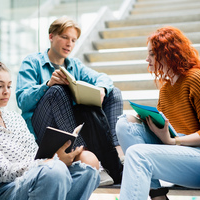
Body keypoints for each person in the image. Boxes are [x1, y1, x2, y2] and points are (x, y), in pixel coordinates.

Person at [0, 54, 100, 200]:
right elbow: (2, 172)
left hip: (34, 175)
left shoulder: (13, 117)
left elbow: (34, 153)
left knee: (88, 169)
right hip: (7, 189)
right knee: (55, 170)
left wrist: (54, 158)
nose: (6, 91)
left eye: (9, 86)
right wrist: (52, 162)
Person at [15, 16, 124, 183]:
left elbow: (104, 78)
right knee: (57, 90)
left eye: (73, 40)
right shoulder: (32, 62)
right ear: (51, 37)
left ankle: (115, 151)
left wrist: (102, 89)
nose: (69, 44)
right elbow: (22, 100)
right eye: (64, 37)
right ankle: (82, 152)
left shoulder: (74, 65)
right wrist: (47, 84)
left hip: (70, 123)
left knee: (113, 92)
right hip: (42, 128)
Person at [116, 26, 200, 200]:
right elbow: (168, 132)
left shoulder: (196, 78)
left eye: (152, 54)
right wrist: (152, 126)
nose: (146, 59)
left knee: (136, 153)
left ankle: (157, 196)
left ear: (168, 53)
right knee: (124, 123)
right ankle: (158, 195)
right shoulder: (165, 90)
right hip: (185, 154)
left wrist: (173, 141)